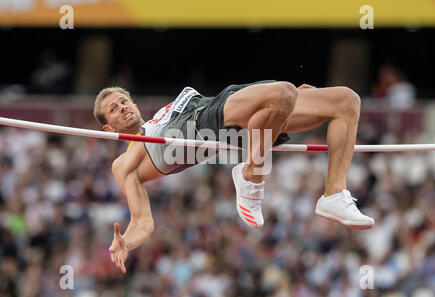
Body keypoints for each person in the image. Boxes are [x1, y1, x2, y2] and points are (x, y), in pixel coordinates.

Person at [93, 80, 375, 274]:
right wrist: (126, 242)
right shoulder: (125, 160)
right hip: (198, 124)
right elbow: (143, 221)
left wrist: (282, 100)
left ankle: (334, 194)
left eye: (123, 101)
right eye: (114, 110)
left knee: (345, 100)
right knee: (282, 93)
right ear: (108, 128)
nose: (123, 107)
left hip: (219, 106)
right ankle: (250, 176)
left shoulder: (158, 116)